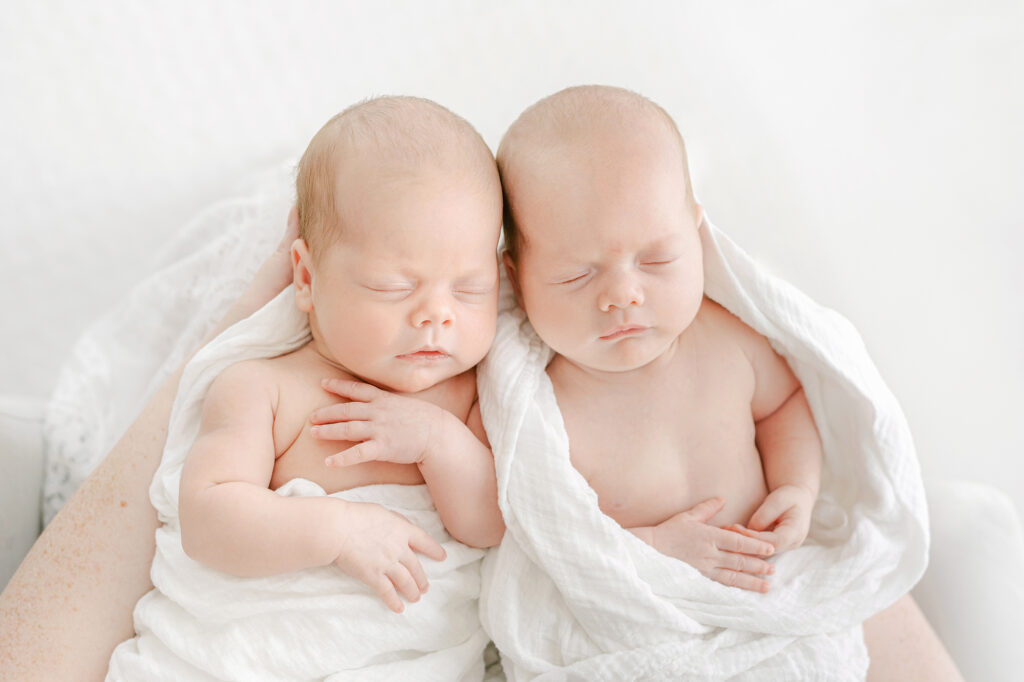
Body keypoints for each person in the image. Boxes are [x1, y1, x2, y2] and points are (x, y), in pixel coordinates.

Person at [0, 92, 960, 682]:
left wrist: (439, 445)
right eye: (390, 287)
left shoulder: (478, 401)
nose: (434, 319)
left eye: (467, 291)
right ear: (301, 276)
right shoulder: (261, 385)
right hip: (244, 649)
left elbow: (499, 522)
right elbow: (208, 515)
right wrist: (332, 528)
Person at [482, 84, 962, 680]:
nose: (623, 295)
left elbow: (785, 405)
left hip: (771, 585)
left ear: (697, 235)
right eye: (576, 276)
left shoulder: (728, 340)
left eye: (656, 261)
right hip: (647, 621)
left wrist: (797, 488)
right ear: (516, 274)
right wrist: (650, 552)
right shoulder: (535, 402)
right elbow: (546, 539)